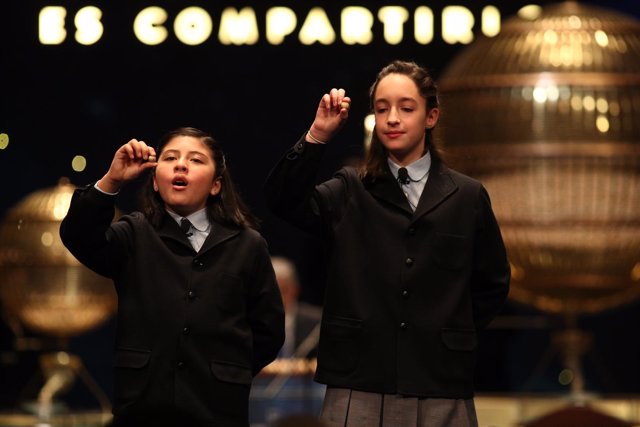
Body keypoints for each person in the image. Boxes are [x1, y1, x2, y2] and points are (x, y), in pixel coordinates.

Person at [264, 60, 510, 427]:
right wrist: (317, 135)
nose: (392, 118)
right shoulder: (351, 188)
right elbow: (282, 200)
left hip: (439, 378)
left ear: (431, 116)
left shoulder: (467, 196)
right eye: (382, 109)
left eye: (406, 108)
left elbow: (492, 282)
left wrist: (447, 330)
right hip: (359, 378)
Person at [60, 127, 285, 427]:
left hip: (217, 411)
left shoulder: (248, 244)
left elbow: (268, 331)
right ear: (155, 180)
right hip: (143, 406)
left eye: (195, 160)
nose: (181, 165)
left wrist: (227, 371)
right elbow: (78, 236)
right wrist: (112, 180)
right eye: (170, 158)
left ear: (216, 185)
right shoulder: (135, 233)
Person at [271, 256, 322, 359]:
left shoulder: (316, 324)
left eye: (282, 291)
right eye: (271, 293)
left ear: (294, 289)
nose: (276, 299)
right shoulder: (250, 322)